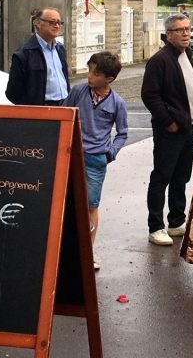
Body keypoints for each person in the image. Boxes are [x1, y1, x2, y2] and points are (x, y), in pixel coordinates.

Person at [141, 13, 193, 246]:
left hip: (190, 128)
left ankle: (176, 221)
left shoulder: (187, 55)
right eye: (180, 30)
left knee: (181, 177)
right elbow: (149, 95)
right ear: (168, 34)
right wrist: (169, 121)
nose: (186, 33)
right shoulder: (160, 60)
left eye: (188, 29)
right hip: (170, 130)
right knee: (162, 176)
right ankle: (155, 226)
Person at [63, 51, 128, 270]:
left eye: (96, 73)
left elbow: (122, 132)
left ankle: (88, 251)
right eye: (90, 70)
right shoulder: (78, 91)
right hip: (71, 153)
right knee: (65, 201)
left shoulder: (117, 102)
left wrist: (110, 153)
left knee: (91, 205)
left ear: (108, 78)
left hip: (96, 159)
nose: (89, 76)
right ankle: (64, 249)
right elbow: (64, 115)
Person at [5, 7, 70, 105]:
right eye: (52, 22)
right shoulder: (24, 53)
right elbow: (12, 93)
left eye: (59, 22)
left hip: (65, 105)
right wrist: (34, 109)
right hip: (43, 110)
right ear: (38, 23)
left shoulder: (60, 49)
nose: (57, 26)